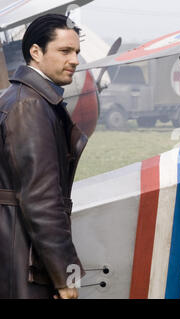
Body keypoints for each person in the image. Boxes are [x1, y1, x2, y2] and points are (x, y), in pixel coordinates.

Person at [0, 14, 87, 299]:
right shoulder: (31, 106)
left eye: (76, 52)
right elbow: (41, 198)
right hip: (22, 256)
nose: (74, 60)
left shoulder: (22, 97)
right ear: (35, 52)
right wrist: (66, 276)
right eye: (64, 51)